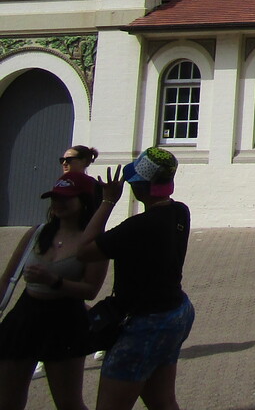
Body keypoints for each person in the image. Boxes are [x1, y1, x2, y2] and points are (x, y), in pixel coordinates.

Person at [77, 148, 193, 410]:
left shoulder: (137, 227)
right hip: (175, 312)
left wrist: (107, 201)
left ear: (141, 187)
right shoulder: (180, 212)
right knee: (162, 400)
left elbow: (84, 251)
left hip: (144, 322)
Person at [0, 171, 108, 410]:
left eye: (65, 198)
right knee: (7, 400)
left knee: (68, 402)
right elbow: (8, 278)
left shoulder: (92, 242)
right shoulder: (37, 233)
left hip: (65, 320)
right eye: (55, 197)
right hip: (24, 317)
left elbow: (90, 290)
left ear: (83, 202)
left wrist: (54, 280)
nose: (58, 203)